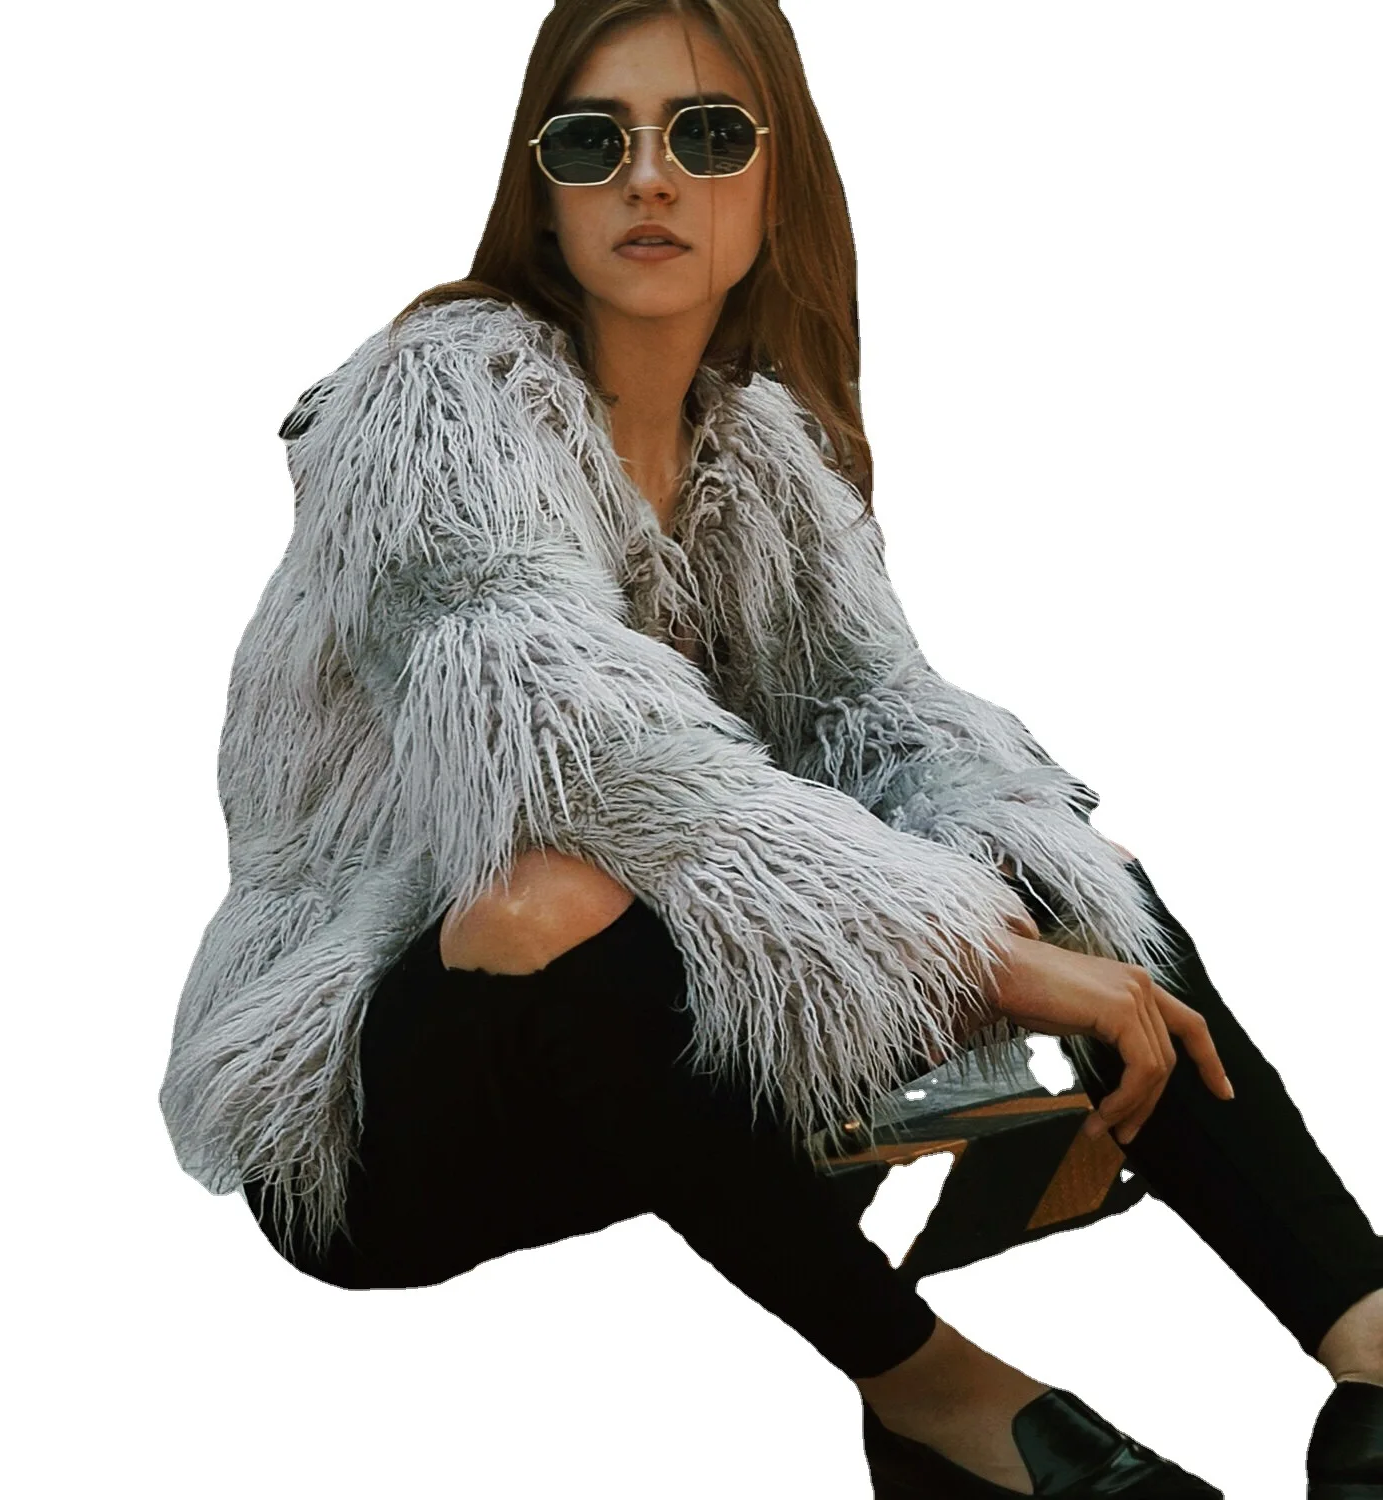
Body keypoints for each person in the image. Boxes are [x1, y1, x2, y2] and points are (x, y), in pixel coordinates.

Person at [160, 2, 1383, 1494]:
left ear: (775, 180)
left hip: (654, 1076)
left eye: (707, 135)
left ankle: (1370, 1339)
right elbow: (576, 751)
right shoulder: (436, 408)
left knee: (1060, 858)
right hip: (378, 1113)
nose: (650, 176)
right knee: (547, 890)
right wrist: (978, 959)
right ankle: (938, 1396)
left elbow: (895, 723)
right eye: (593, 141)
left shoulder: (761, 455)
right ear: (541, 194)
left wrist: (1036, 897)